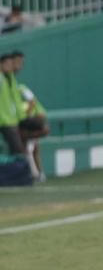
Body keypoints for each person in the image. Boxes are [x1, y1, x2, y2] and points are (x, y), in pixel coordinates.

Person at [10, 51, 48, 180]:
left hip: (28, 120)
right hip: (18, 121)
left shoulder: (20, 88)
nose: (20, 65)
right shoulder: (13, 86)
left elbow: (32, 102)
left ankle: (37, 174)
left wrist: (27, 114)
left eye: (22, 62)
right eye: (18, 62)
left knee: (32, 147)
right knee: (29, 148)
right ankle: (34, 174)